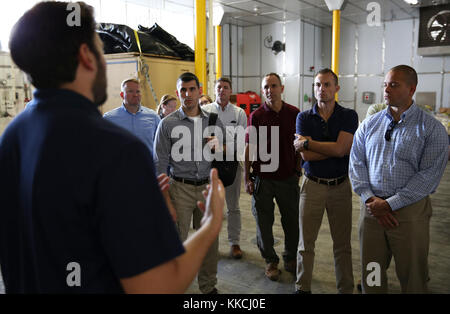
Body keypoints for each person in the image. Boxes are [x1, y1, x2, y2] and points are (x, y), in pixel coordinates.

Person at [0, 1, 224, 294]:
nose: (105, 61)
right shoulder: (117, 150)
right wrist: (210, 223)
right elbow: (158, 287)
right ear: (86, 57)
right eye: (99, 49)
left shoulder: (12, 137)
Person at [349, 65, 448, 294]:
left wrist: (390, 204)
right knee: (371, 272)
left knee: (412, 275)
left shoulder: (431, 129)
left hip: (408, 214)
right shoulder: (369, 125)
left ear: (411, 89)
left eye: (394, 85)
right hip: (371, 210)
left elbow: (428, 176)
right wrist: (370, 199)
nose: (387, 89)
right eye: (385, 84)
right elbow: (356, 163)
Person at [153, 72, 226, 294]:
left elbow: (224, 155)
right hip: (180, 188)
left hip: (206, 187)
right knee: (177, 242)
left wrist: (219, 147)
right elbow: (160, 163)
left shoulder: (213, 120)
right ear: (178, 93)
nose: (188, 94)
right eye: (183, 90)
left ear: (199, 90)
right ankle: (172, 286)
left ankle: (208, 286)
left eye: (192, 89)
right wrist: (165, 198)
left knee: (209, 242)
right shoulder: (167, 124)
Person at [293, 68, 358, 294]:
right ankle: (302, 287)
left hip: (340, 186)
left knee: (342, 245)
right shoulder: (303, 117)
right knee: (305, 243)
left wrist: (309, 143)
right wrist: (333, 149)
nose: (322, 89)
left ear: (337, 88)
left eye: (327, 84)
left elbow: (342, 150)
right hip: (312, 186)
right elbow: (306, 157)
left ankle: (345, 289)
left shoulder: (349, 116)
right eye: (318, 85)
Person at [244, 73, 300, 281]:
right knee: (263, 223)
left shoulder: (294, 113)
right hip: (263, 180)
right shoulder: (256, 116)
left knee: (292, 221)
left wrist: (297, 171)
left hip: (287, 178)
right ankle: (270, 260)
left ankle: (290, 257)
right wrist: (247, 178)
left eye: (273, 86)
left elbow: (299, 146)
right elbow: (249, 148)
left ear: (282, 88)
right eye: (266, 87)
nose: (270, 90)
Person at [202, 77, 247, 259]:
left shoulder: (239, 113)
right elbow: (199, 138)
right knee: (210, 206)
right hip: (209, 166)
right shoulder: (205, 111)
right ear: (215, 90)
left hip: (231, 165)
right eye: (219, 87)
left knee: (233, 206)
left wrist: (222, 147)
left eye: (226, 87)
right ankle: (210, 243)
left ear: (230, 91)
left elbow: (241, 141)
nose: (222, 90)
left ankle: (234, 242)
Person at [103, 78, 160, 154]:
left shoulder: (153, 117)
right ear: (122, 95)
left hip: (147, 165)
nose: (135, 95)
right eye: (130, 91)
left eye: (138, 91)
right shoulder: (109, 118)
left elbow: (161, 145)